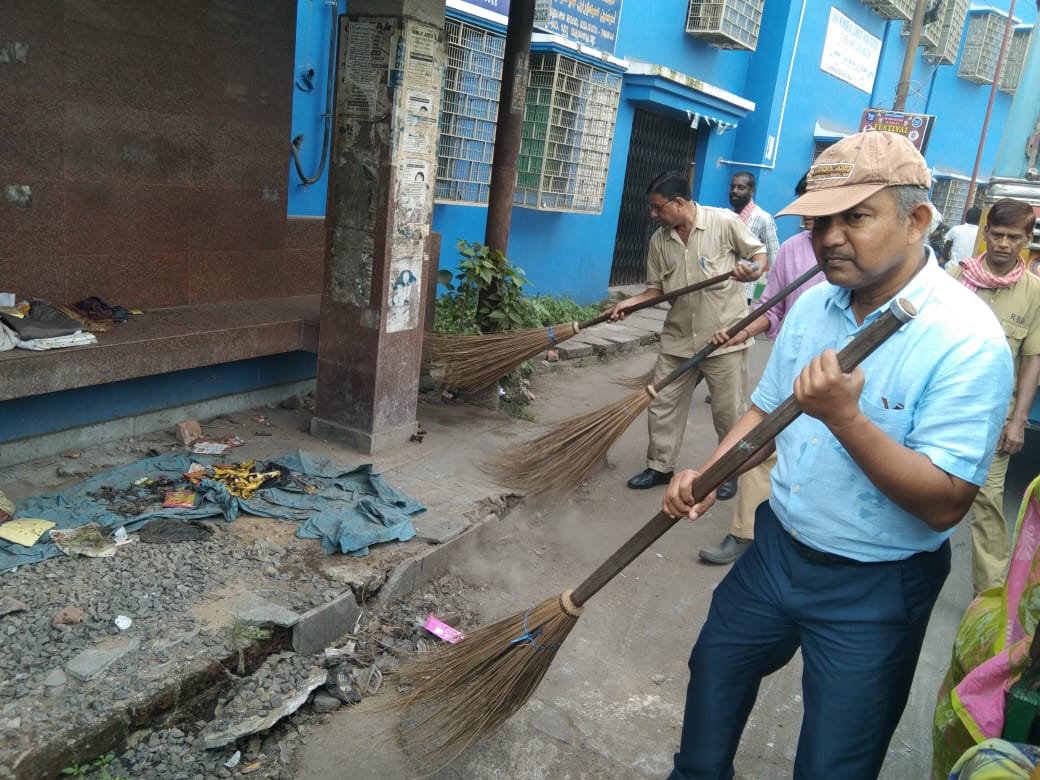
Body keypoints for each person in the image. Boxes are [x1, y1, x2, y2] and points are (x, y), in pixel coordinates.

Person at [661, 130, 1014, 779]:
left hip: (877, 585)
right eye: (821, 220)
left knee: (834, 761)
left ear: (915, 221)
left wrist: (847, 418)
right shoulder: (815, 305)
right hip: (776, 551)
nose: (829, 238)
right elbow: (766, 413)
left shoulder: (969, 341)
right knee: (713, 674)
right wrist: (712, 474)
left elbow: (944, 504)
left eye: (855, 216)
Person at [608, 170, 766, 496]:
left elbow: (759, 256)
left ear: (679, 202)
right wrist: (630, 304)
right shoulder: (659, 241)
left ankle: (729, 471)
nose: (653, 215)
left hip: (725, 337)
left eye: (657, 207)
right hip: (679, 337)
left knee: (728, 411)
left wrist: (750, 269)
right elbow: (655, 290)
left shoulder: (723, 223)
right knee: (663, 403)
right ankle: (659, 466)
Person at [699, 174, 825, 565]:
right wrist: (740, 332)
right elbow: (773, 308)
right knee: (762, 439)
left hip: (841, 378)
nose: (807, 216)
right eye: (803, 205)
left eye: (815, 207)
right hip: (791, 366)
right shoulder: (792, 249)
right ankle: (743, 533)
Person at [947, 197, 1040, 594]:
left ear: (1028, 239)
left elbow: (1032, 358)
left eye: (1013, 237)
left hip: (993, 419)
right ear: (985, 233)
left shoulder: (1034, 292)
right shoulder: (954, 278)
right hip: (942, 409)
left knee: (986, 503)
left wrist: (1018, 421)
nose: (1003, 244)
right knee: (911, 491)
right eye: (997, 234)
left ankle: (990, 599)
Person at [729, 171, 780, 305]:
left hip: (743, 292)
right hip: (721, 289)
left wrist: (771, 297)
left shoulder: (763, 219)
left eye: (741, 187)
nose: (734, 191)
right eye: (732, 187)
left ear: (752, 191)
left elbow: (774, 259)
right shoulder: (726, 216)